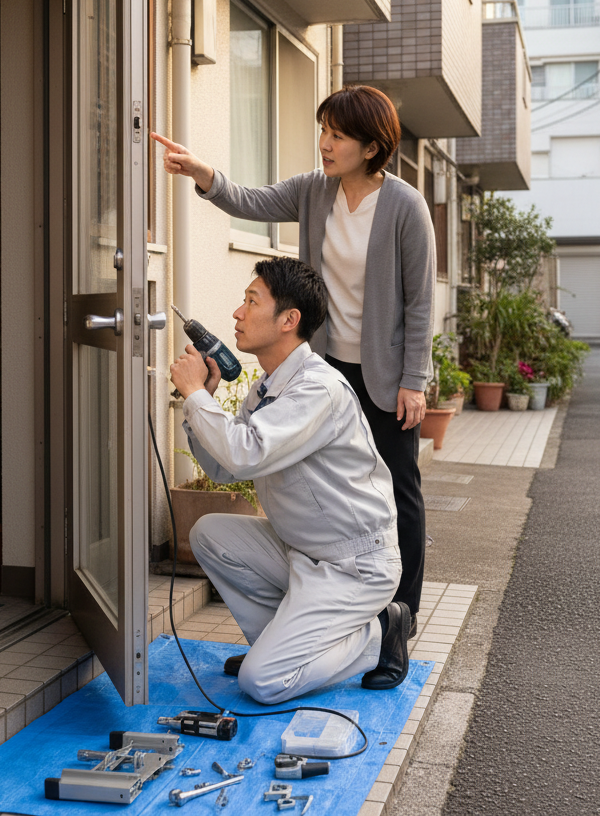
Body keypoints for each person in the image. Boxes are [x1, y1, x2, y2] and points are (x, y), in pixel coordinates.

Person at [152, 85, 434, 630]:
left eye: (338, 135)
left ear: (372, 147)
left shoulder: (405, 205)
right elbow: (251, 201)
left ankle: (401, 615)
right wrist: (200, 171)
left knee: (400, 490)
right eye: (323, 131)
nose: (325, 144)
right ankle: (317, 599)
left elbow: (419, 299)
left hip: (386, 374)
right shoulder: (313, 190)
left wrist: (414, 379)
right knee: (318, 483)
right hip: (325, 365)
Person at [170, 257, 409, 705]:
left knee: (261, 683)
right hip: (301, 550)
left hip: (353, 565)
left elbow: (245, 453)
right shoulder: (267, 388)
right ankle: (277, 649)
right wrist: (205, 404)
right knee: (209, 534)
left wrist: (196, 395)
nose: (238, 313)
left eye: (251, 301)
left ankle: (381, 632)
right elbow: (224, 468)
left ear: (289, 320)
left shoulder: (316, 389)